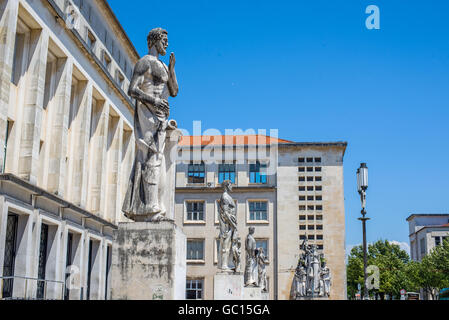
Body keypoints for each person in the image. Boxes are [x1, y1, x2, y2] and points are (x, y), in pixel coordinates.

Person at [122, 28, 179, 222]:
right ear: (154, 41)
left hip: (161, 117)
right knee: (151, 157)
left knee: (158, 159)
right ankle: (150, 207)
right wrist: (154, 102)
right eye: (164, 40)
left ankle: (154, 205)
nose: (167, 44)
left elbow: (174, 91)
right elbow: (132, 89)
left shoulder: (162, 65)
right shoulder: (144, 62)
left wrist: (172, 70)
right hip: (148, 114)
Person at [218, 181, 237, 271]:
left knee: (230, 244)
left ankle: (228, 263)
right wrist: (233, 224)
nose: (232, 187)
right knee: (226, 244)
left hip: (231, 224)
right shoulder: (225, 196)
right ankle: (224, 265)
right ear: (227, 185)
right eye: (231, 185)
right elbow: (225, 213)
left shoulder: (228, 197)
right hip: (226, 224)